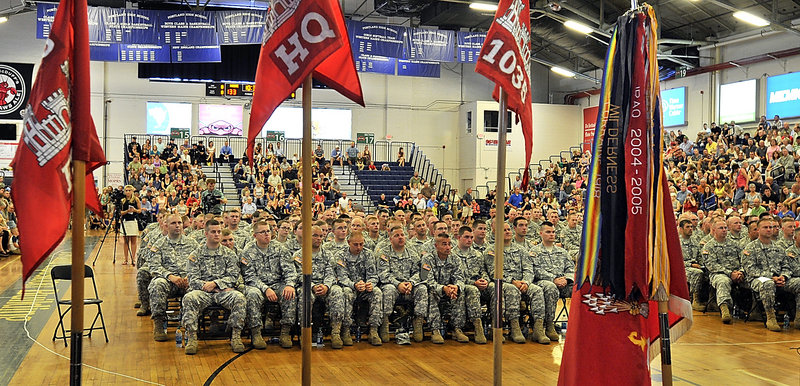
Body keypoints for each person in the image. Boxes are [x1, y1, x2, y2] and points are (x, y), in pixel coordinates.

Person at [181, 219, 247, 354]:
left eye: (219, 232)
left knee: (239, 298)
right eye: (213, 232)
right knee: (189, 298)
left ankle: (235, 336)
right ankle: (193, 337)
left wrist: (216, 284)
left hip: (222, 291)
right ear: (206, 234)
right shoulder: (196, 254)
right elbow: (193, 279)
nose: (217, 234)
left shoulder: (229, 254)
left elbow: (233, 276)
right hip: (203, 291)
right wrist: (208, 286)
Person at [485, 222, 545, 344]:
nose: (507, 232)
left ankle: (538, 329)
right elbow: (494, 272)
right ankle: (514, 327)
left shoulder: (521, 250)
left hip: (522, 282)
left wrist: (526, 282)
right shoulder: (491, 250)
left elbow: (528, 269)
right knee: (511, 289)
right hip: (503, 282)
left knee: (537, 290)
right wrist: (513, 281)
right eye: (504, 230)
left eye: (508, 229)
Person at [241, 221, 297, 349]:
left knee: (289, 293)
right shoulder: (248, 251)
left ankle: (285, 333)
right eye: (263, 232)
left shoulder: (280, 248)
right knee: (252, 295)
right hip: (258, 286)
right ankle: (256, 333)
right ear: (255, 235)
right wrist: (266, 289)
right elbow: (249, 276)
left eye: (268, 231)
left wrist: (289, 285)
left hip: (277, 284)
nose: (267, 234)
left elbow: (290, 270)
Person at [146, 214, 199, 341]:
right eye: (173, 223)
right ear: (166, 226)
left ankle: (192, 327)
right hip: (168, 281)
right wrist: (170, 276)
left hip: (187, 281)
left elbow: (200, 263)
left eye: (179, 223)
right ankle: (159, 323)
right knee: (157, 284)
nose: (177, 226)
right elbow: (153, 266)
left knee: (200, 286)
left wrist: (189, 277)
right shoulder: (159, 244)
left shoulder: (192, 243)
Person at [293, 226, 346, 348]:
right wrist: (312, 286)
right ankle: (305, 333)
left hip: (325, 286)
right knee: (304, 295)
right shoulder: (299, 255)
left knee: (337, 292)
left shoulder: (327, 254)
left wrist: (326, 286)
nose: (319, 239)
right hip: (307, 286)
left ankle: (336, 332)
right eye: (315, 235)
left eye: (321, 236)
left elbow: (331, 273)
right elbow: (298, 275)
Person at [377, 226, 429, 343]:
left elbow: (418, 272)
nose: (400, 238)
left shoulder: (412, 253)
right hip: (393, 286)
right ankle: (385, 323)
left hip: (409, 287)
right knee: (388, 289)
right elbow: (383, 274)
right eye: (396, 235)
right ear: (391, 239)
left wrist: (411, 283)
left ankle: (418, 322)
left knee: (422, 288)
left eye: (402, 235)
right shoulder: (384, 253)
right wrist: (398, 284)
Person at [741, 217, 794, 331]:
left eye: (771, 227)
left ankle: (798, 316)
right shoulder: (750, 248)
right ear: (758, 230)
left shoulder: (779, 248)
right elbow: (751, 270)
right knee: (768, 284)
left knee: (798, 283)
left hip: (778, 279)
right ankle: (771, 317)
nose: (769, 229)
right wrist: (772, 277)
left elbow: (786, 266)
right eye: (765, 227)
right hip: (757, 280)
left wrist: (783, 276)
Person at [334, 232, 383, 346]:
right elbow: (342, 277)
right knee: (346, 293)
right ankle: (346, 330)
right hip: (350, 287)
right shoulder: (340, 255)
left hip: (364, 288)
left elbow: (373, 275)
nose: (359, 247)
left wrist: (370, 284)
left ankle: (373, 330)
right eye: (355, 244)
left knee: (377, 292)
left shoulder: (368, 254)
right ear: (348, 243)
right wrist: (354, 284)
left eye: (361, 244)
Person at [530, 221, 573, 343]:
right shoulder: (534, 251)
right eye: (548, 232)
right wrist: (553, 279)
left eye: (553, 232)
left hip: (563, 283)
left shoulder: (562, 252)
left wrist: (566, 279)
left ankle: (579, 324)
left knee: (579, 289)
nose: (552, 234)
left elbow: (570, 268)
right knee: (550, 287)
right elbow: (535, 270)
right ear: (541, 233)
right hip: (543, 283)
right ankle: (549, 325)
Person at [422, 233, 467, 344]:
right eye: (444, 244)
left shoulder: (455, 259)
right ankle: (435, 330)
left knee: (460, 293)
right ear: (436, 246)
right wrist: (442, 288)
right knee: (432, 293)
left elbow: (460, 278)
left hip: (450, 290)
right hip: (435, 290)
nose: (448, 247)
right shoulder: (427, 259)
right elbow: (426, 280)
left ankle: (457, 328)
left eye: (449, 244)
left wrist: (456, 287)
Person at [678, 218, 706, 311]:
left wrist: (703, 265)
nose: (690, 229)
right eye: (687, 227)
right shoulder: (677, 242)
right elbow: (675, 261)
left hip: (695, 266)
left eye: (691, 227)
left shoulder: (694, 241)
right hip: (682, 268)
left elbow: (699, 256)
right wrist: (690, 264)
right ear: (681, 229)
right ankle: (695, 300)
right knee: (697, 273)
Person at [120, 185, 141, 265]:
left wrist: (134, 210)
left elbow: (139, 210)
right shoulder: (123, 200)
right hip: (125, 221)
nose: (128, 192)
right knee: (125, 241)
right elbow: (120, 212)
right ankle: (126, 259)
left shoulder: (136, 200)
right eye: (126, 190)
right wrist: (127, 211)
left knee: (133, 241)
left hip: (133, 220)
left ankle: (133, 258)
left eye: (129, 190)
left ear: (132, 191)